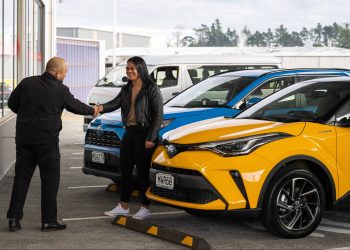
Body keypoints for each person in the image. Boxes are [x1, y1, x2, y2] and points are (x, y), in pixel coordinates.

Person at [6, 57, 99, 232]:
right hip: (47, 142)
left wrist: (28, 116)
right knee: (50, 180)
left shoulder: (27, 83)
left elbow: (12, 104)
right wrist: (93, 110)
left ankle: (13, 219)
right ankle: (48, 221)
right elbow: (75, 106)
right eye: (65, 72)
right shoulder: (60, 89)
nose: (65, 75)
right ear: (57, 73)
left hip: (24, 139)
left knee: (21, 178)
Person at [97, 56, 163, 220]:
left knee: (142, 172)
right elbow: (115, 103)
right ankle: (123, 206)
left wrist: (151, 137)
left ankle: (145, 207)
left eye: (132, 68)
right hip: (130, 132)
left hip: (144, 132)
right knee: (124, 170)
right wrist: (100, 108)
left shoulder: (151, 88)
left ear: (141, 69)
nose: (129, 71)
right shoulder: (127, 88)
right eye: (127, 68)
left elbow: (158, 115)